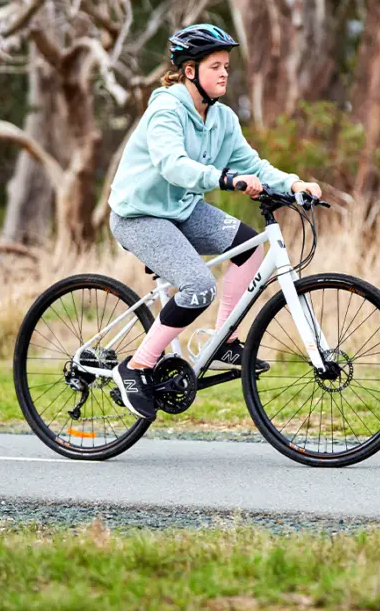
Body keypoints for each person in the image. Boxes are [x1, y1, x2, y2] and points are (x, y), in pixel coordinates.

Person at [107, 23, 322, 420]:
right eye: (215, 66)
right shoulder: (166, 111)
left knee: (250, 248)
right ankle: (136, 366)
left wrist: (293, 184)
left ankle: (225, 341)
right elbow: (173, 166)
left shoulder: (222, 119)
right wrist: (222, 179)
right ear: (190, 71)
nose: (225, 73)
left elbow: (252, 164)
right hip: (139, 215)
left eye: (227, 66)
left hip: (183, 210)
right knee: (199, 286)